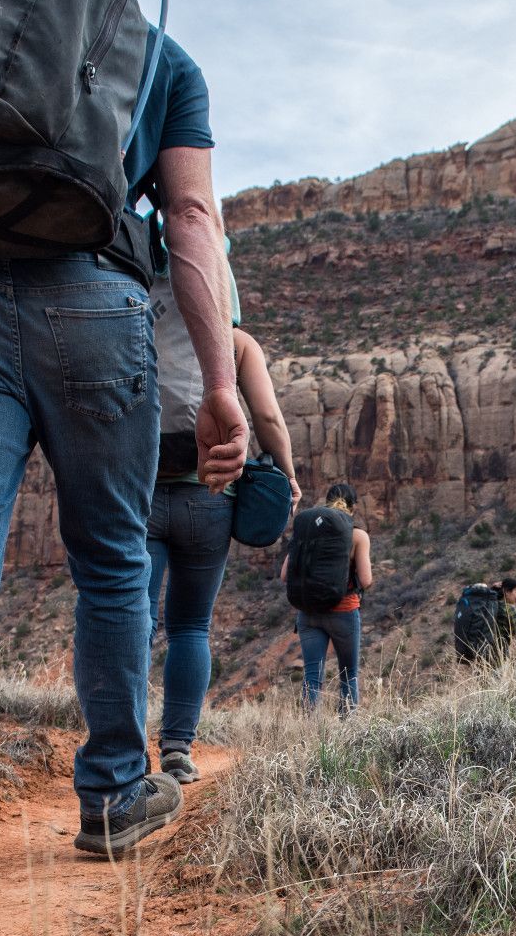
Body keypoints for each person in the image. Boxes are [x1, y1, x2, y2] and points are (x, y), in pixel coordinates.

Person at [0, 30, 247, 907]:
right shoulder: (158, 57)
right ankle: (115, 792)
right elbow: (191, 219)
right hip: (97, 301)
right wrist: (219, 381)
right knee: (112, 561)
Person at [146, 260, 300, 783]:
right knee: (191, 626)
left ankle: (119, 751)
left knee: (134, 623)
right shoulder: (236, 344)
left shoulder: (137, 316)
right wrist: (288, 476)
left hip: (137, 496)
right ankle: (177, 749)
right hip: (210, 497)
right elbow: (269, 419)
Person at [282, 484, 371, 712]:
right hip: (344, 611)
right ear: (354, 507)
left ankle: (307, 732)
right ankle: (348, 732)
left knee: (312, 675)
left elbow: (284, 575)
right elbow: (366, 579)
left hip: (308, 614)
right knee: (348, 674)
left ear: (327, 501)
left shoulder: (308, 531)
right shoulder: (358, 535)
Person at [454, 575, 516, 665]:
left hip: (480, 659)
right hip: (497, 659)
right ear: (507, 592)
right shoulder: (509, 609)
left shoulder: (490, 606)